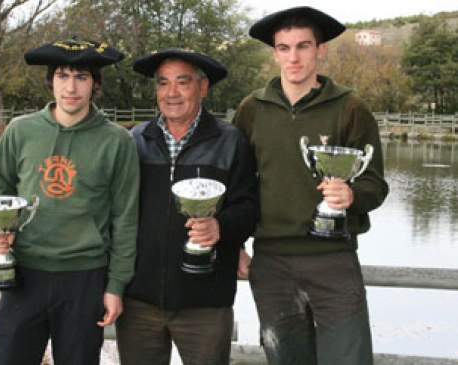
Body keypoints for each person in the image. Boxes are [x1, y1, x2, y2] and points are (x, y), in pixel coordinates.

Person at [233, 6, 389, 365]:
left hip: (333, 259)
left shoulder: (351, 108)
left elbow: (376, 184)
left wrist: (352, 195)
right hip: (271, 262)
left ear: (321, 50)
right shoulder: (252, 109)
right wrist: (235, 244)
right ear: (274, 52)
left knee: (348, 359)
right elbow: (237, 186)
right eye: (284, 48)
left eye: (303, 46)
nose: (294, 57)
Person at [0, 38, 140, 365]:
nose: (71, 87)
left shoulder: (116, 141)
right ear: (51, 81)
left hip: (85, 278)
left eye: (82, 77)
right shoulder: (20, 131)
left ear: (95, 84)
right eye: (63, 76)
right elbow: (1, 190)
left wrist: (116, 286)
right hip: (24, 275)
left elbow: (125, 218)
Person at [115, 48, 259, 365]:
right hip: (139, 302)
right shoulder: (134, 140)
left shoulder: (231, 141)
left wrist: (221, 227)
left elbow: (249, 207)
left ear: (203, 87)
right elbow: (116, 213)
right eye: (163, 83)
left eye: (183, 82)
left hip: (206, 303)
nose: (172, 93)